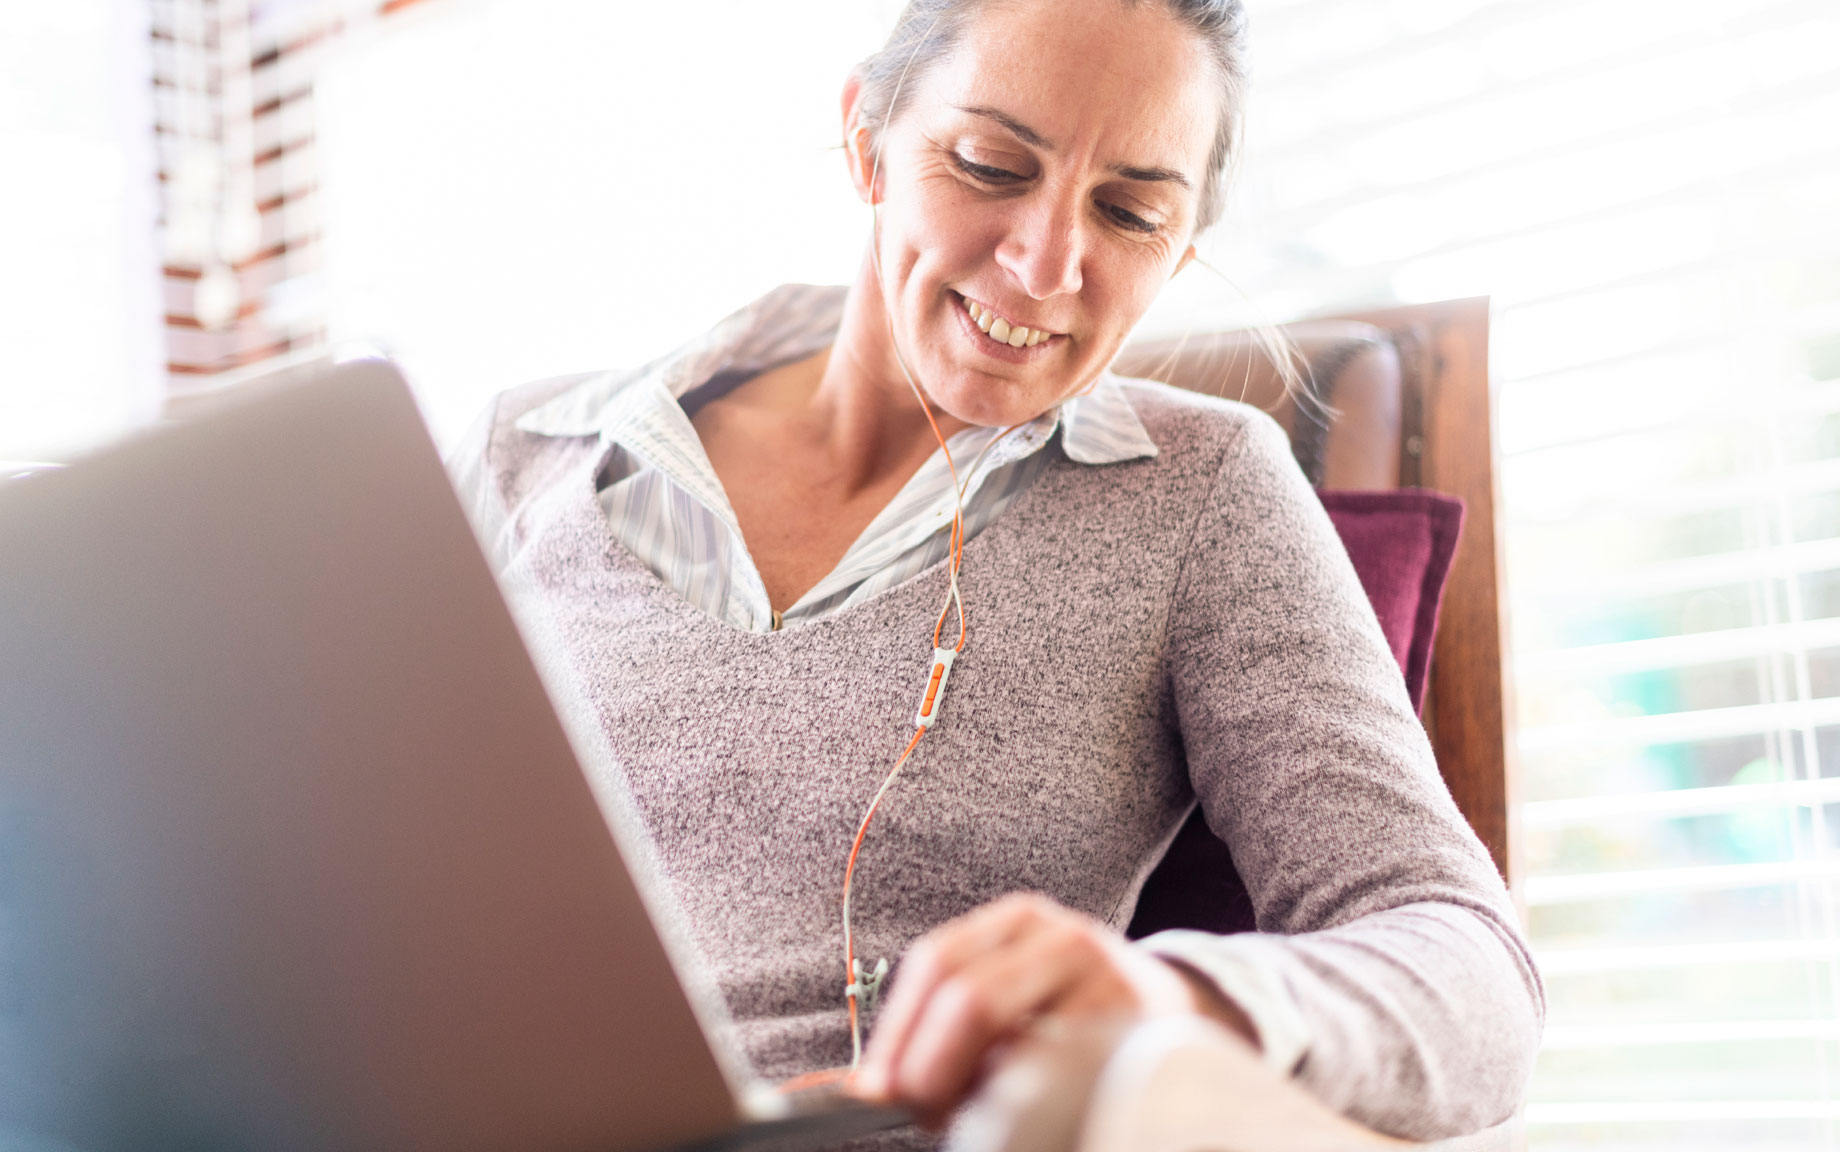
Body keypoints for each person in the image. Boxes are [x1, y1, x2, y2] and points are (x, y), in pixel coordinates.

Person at [448, 0, 1543, 1143]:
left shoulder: (1203, 491)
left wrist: (1182, 1004)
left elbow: (1471, 978)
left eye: (1129, 212)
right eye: (987, 164)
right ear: (868, 139)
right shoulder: (526, 454)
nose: (1042, 264)